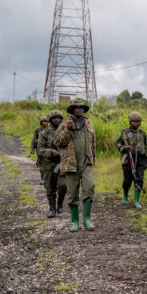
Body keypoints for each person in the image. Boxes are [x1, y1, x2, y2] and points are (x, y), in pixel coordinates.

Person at [54, 99, 96, 232]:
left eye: (81, 107)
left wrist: (93, 158)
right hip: (70, 164)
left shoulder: (88, 123)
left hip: (86, 163)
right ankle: (74, 221)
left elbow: (93, 142)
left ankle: (87, 219)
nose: (80, 109)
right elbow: (58, 142)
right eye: (77, 108)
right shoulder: (64, 124)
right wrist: (67, 129)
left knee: (89, 188)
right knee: (72, 194)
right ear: (72, 110)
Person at [116, 111, 147, 209]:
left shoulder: (142, 133)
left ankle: (136, 201)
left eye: (137, 121)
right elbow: (118, 144)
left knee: (139, 178)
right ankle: (125, 195)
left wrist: (146, 160)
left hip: (141, 159)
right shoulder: (125, 133)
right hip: (128, 159)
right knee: (127, 180)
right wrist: (124, 148)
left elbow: (146, 147)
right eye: (133, 121)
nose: (135, 123)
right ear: (130, 121)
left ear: (140, 122)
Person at [38, 110, 67, 218]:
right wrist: (51, 152)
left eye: (58, 118)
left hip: (62, 163)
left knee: (63, 185)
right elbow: (40, 149)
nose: (56, 120)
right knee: (50, 188)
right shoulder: (44, 133)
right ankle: (52, 208)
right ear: (50, 120)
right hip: (48, 164)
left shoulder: (65, 131)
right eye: (54, 118)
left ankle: (60, 203)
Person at [32, 116, 49, 184]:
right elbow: (33, 140)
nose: (44, 123)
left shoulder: (49, 129)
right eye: (43, 122)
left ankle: (48, 179)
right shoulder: (37, 130)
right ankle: (43, 179)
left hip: (48, 149)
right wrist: (32, 149)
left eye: (46, 121)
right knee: (41, 164)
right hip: (40, 149)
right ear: (41, 122)